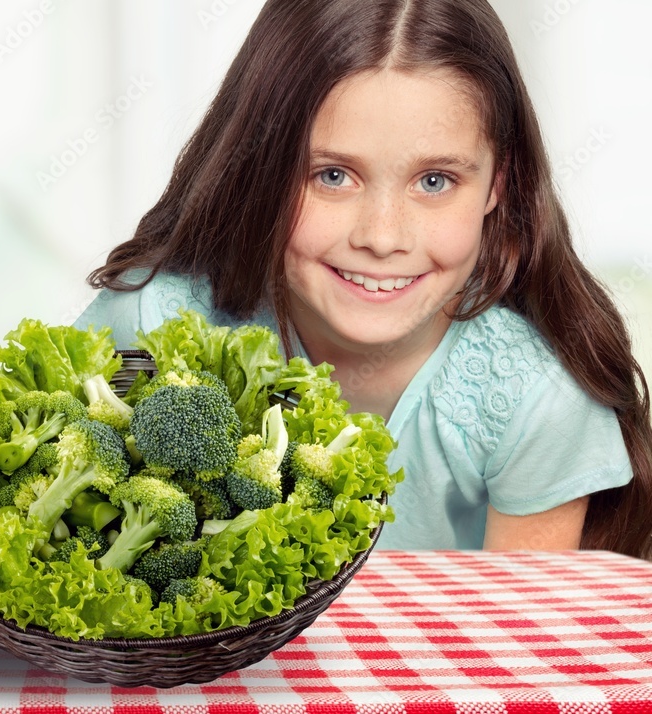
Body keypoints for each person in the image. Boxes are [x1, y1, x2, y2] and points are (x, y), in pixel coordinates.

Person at [72, 0, 652, 559]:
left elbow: (518, 640)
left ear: (497, 185)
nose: (381, 236)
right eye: (332, 175)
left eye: (434, 181)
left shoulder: (537, 400)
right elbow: (81, 533)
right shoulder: (150, 326)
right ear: (260, 169)